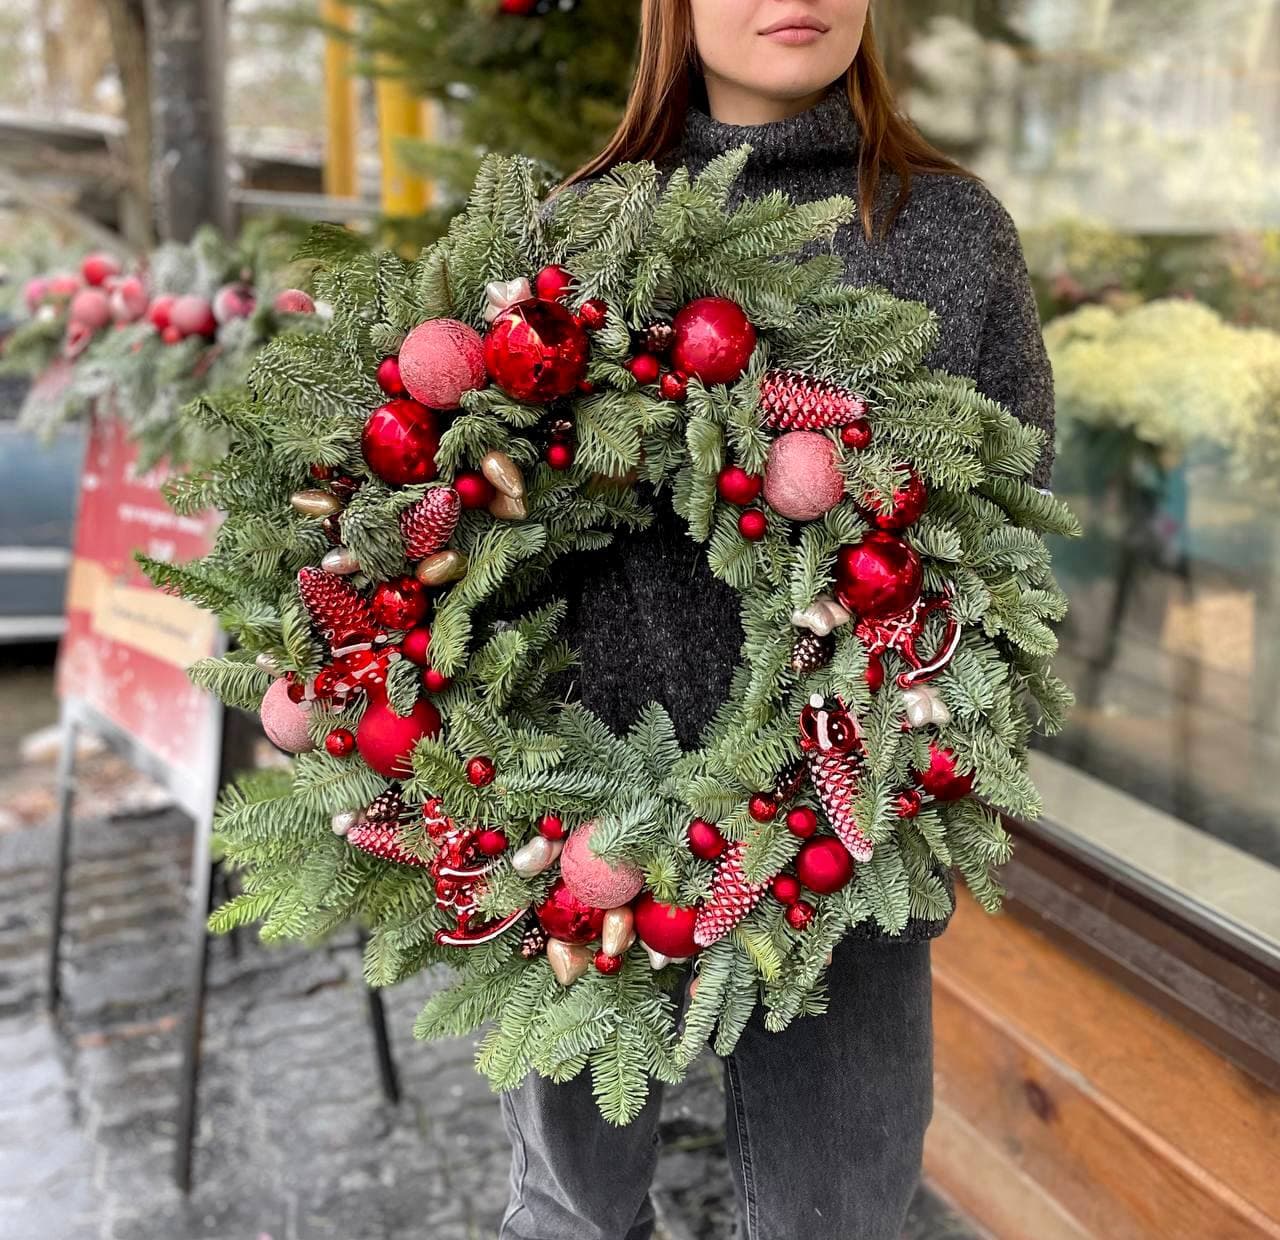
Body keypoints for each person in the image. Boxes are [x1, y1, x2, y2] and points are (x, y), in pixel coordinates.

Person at [499, 3, 1055, 1238]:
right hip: (582, 830)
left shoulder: (944, 230)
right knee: (569, 1205)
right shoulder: (577, 235)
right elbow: (500, 529)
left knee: (836, 1204)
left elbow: (1010, 521)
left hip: (839, 825)